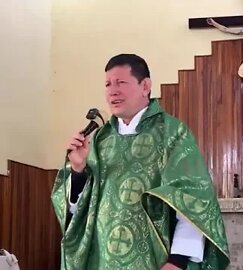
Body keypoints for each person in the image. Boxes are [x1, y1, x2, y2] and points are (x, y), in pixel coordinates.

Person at [51, 54, 229, 270]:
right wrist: (78, 171)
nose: (112, 91)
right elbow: (80, 214)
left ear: (145, 86)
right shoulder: (99, 139)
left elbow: (191, 199)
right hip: (101, 261)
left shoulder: (172, 133)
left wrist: (177, 261)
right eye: (107, 84)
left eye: (121, 82)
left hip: (155, 261)